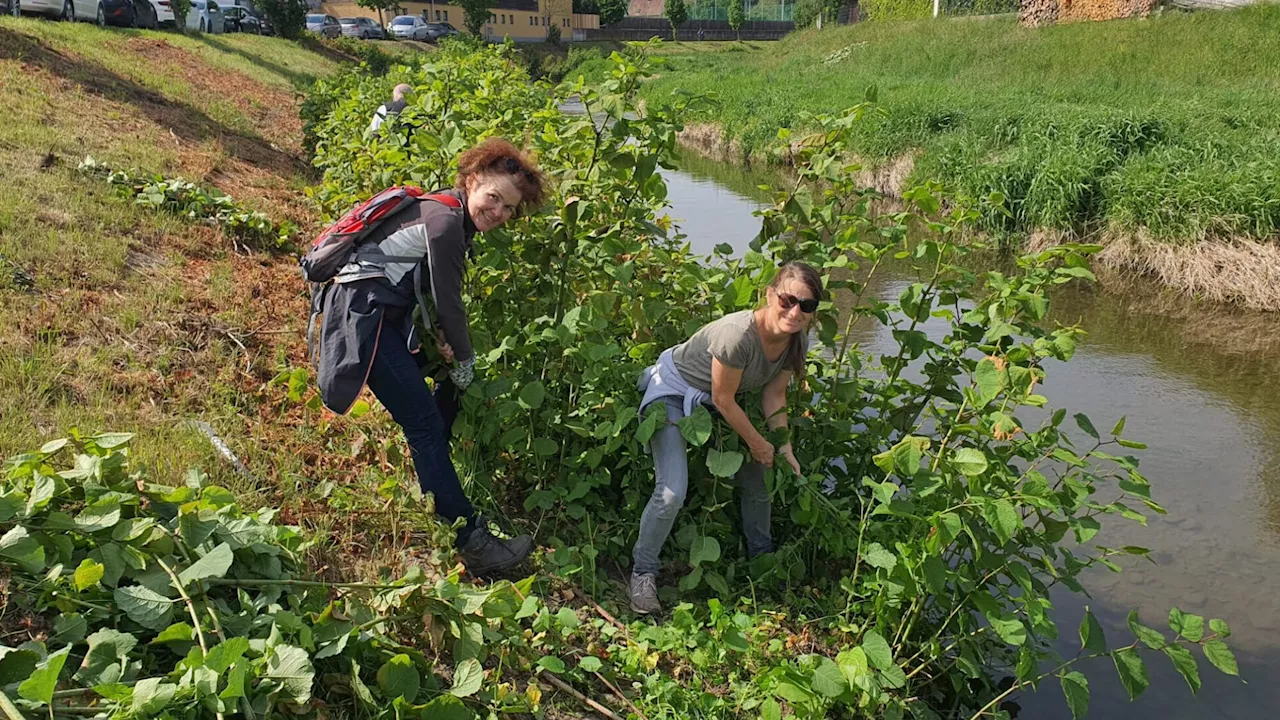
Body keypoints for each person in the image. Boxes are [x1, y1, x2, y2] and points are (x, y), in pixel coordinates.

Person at [316, 138, 546, 576]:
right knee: (424, 423)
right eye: (493, 198)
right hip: (365, 318)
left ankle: (439, 492)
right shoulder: (444, 222)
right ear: (472, 180)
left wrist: (441, 338)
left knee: (435, 411)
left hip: (382, 314)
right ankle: (471, 541)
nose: (497, 213)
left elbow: (417, 282)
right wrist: (464, 358)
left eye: (509, 209)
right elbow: (450, 301)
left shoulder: (447, 214)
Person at [628, 262, 824, 614]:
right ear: (769, 294)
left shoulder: (797, 339)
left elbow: (774, 397)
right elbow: (723, 399)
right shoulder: (737, 335)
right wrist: (758, 442)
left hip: (715, 404)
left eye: (806, 305)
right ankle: (643, 572)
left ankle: (761, 563)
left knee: (758, 476)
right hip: (674, 393)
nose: (795, 312)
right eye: (787, 300)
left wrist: (784, 449)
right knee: (672, 490)